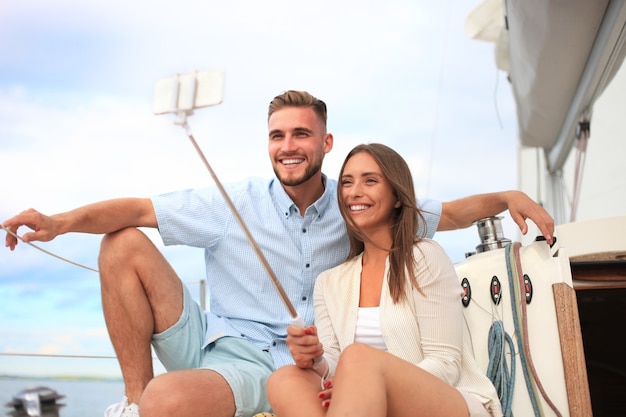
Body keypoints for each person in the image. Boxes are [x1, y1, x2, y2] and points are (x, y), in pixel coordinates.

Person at [2, 91, 549, 417]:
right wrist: (57, 222)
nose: (288, 145)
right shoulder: (233, 202)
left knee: (236, 389)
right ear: (268, 142)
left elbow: (445, 213)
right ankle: (130, 403)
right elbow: (138, 208)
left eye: (302, 134)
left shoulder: (356, 205)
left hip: (307, 362)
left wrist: (502, 197)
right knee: (121, 242)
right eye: (277, 135)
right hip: (230, 348)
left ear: (324, 142)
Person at [267, 143, 503, 417]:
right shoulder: (328, 282)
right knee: (285, 379)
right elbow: (332, 364)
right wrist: (315, 358)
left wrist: (370, 384)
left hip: (449, 401)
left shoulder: (423, 257)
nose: (355, 191)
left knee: (357, 358)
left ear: (397, 197)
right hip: (363, 404)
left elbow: (446, 363)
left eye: (370, 180)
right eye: (346, 182)